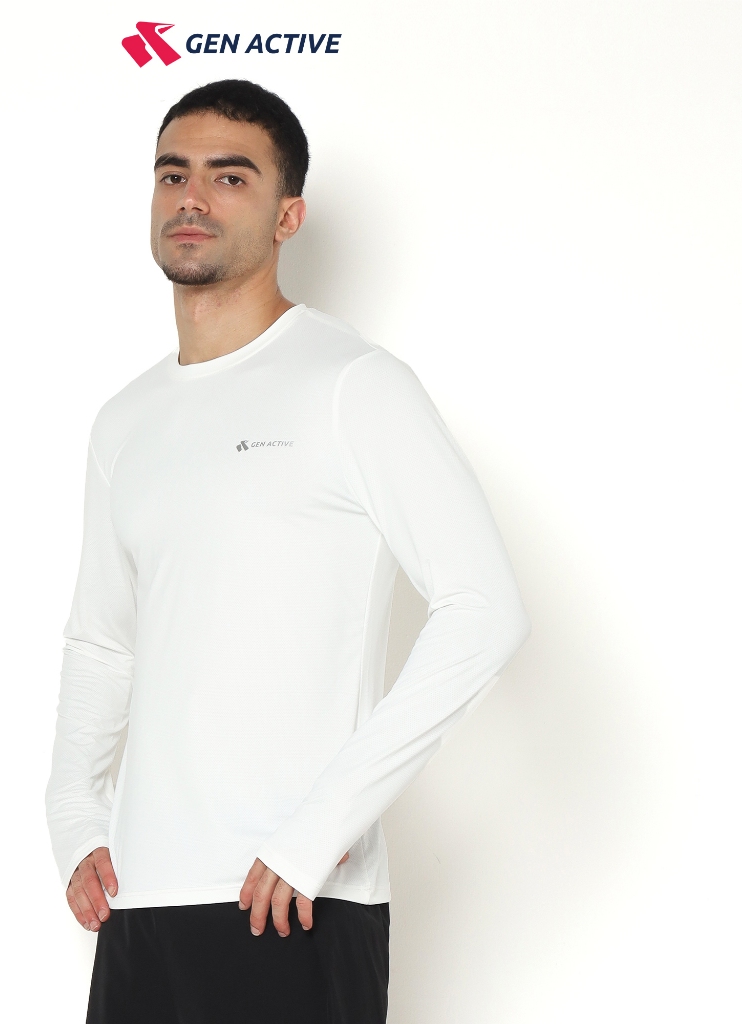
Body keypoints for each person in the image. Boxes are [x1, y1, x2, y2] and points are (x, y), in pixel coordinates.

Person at [45, 79, 530, 1024]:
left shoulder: (353, 384)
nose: (193, 197)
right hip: (142, 905)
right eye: (173, 174)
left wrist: (318, 832)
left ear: (287, 215)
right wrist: (73, 813)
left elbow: (484, 611)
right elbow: (102, 638)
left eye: (230, 177)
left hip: (292, 899)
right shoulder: (125, 420)